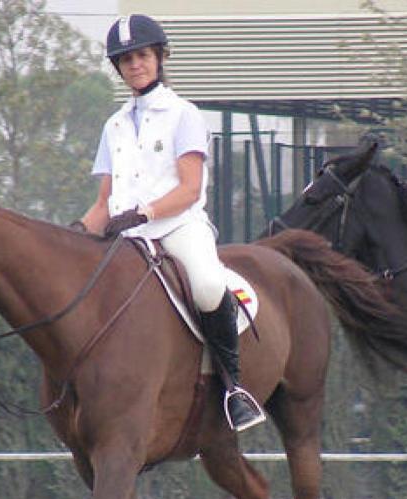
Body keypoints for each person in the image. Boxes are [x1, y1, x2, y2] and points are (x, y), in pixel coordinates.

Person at [71, 14, 265, 431]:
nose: (135, 65)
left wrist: (145, 213)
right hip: (126, 236)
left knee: (208, 285)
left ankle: (233, 387)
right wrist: (75, 235)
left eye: (142, 55)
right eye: (126, 60)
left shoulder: (183, 114)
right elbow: (103, 203)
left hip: (178, 228)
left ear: (159, 57)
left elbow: (190, 189)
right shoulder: (113, 126)